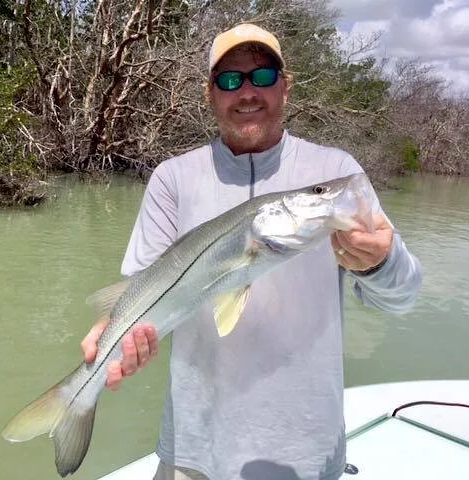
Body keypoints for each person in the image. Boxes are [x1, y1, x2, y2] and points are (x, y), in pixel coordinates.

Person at [81, 23, 421, 480]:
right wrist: (117, 337)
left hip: (304, 451)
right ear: (210, 92)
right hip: (192, 449)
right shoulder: (172, 179)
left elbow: (402, 297)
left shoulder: (337, 172)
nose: (246, 92)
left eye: (261, 77)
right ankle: (76, 398)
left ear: (285, 85)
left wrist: (381, 263)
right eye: (229, 79)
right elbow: (141, 295)